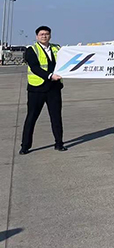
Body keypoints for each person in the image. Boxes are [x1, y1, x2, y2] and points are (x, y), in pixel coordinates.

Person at [20, 26, 66, 155]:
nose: (44, 36)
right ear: (37, 37)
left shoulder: (57, 48)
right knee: (31, 117)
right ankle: (25, 146)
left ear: (50, 35)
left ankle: (59, 143)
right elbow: (34, 68)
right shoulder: (31, 50)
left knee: (56, 117)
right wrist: (50, 76)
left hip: (54, 89)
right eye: (41, 34)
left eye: (46, 34)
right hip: (37, 89)